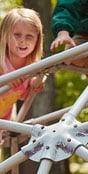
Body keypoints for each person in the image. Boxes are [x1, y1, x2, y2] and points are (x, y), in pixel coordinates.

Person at [0, 7, 44, 145]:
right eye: (17, 35)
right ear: (5, 35)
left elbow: (20, 95)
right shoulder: (2, 62)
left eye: (29, 36)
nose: (23, 41)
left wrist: (34, 85)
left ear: (37, 39)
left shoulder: (31, 69)